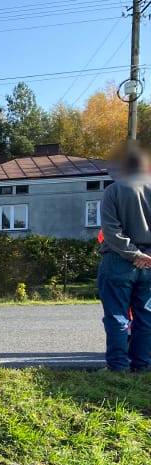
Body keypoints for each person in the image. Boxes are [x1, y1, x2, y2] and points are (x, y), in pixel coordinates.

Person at [98, 145, 151, 371]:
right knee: (146, 318)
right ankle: (143, 366)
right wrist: (145, 255)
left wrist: (133, 253)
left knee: (117, 316)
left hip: (118, 262)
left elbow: (111, 231)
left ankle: (118, 368)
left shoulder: (113, 191)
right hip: (149, 265)